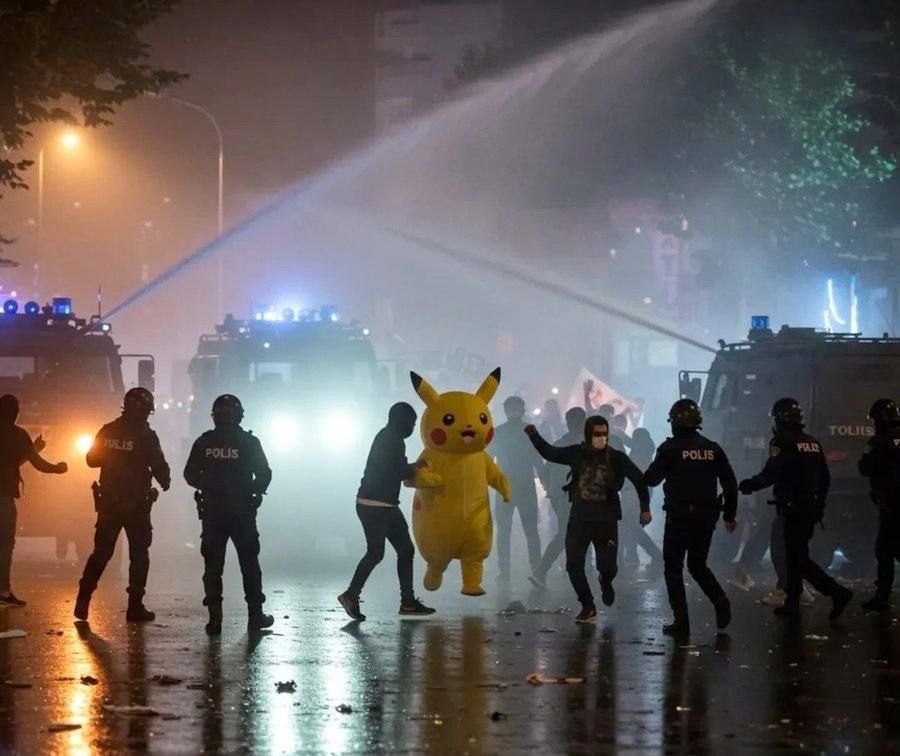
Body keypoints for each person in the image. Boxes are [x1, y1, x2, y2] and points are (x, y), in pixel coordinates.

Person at [525, 416, 650, 623]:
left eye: (604, 433)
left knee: (608, 567)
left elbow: (638, 480)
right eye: (596, 433)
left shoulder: (617, 457)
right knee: (574, 565)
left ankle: (605, 580)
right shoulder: (576, 453)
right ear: (588, 434)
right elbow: (551, 453)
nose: (601, 438)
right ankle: (587, 604)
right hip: (579, 519)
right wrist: (533, 435)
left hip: (606, 520)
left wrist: (644, 508)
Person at [738, 398, 853, 620]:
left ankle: (836, 592)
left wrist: (748, 485)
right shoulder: (812, 443)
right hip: (809, 507)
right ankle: (793, 602)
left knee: (797, 558)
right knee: (795, 556)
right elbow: (825, 477)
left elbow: (771, 473)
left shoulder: (782, 442)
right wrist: (819, 505)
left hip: (792, 509)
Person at [75, 388, 171, 622]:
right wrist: (165, 481)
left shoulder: (108, 430)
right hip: (136, 506)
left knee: (102, 552)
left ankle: (83, 598)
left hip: (109, 504)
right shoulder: (146, 436)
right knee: (139, 555)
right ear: (147, 410)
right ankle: (135, 606)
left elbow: (91, 460)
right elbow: (159, 467)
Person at [643, 399, 737, 636]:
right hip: (707, 518)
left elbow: (652, 479)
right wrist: (730, 513)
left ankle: (682, 622)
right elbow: (729, 482)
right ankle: (720, 599)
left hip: (679, 518)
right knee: (697, 565)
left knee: (673, 568)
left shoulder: (669, 449)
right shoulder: (712, 448)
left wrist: (642, 473)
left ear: (674, 423)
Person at [183, 394, 274, 634]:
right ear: (240, 415)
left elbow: (189, 474)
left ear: (214, 416)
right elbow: (264, 473)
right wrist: (252, 491)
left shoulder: (205, 442)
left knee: (213, 567)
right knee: (250, 565)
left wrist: (210, 486)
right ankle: (255, 616)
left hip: (213, 514)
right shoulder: (249, 442)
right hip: (242, 514)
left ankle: (215, 620)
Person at [338, 402, 436, 621]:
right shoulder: (390, 439)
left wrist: (411, 467)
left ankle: (408, 602)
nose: (411, 427)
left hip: (385, 504)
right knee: (376, 552)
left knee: (406, 550)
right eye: (410, 422)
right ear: (400, 420)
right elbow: (393, 471)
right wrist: (414, 467)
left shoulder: (391, 438)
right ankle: (351, 595)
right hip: (374, 504)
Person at [0, 394, 67, 606]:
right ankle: (2, 591)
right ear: (15, 413)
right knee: (4, 545)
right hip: (3, 498)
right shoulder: (18, 435)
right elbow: (36, 464)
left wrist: (34, 449)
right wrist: (57, 468)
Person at [529, 406, 586, 589]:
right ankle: (543, 571)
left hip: (562, 496)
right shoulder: (583, 444)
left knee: (568, 533)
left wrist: (550, 490)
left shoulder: (562, 442)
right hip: (572, 497)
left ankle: (547, 571)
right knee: (568, 534)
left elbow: (546, 468)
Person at [492, 396, 545, 582]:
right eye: (513, 409)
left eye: (517, 409)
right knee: (528, 531)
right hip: (519, 486)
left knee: (508, 531)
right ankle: (534, 568)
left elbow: (488, 459)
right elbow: (538, 459)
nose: (515, 412)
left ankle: (506, 570)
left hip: (507, 486)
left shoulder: (499, 432)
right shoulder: (528, 431)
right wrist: (545, 481)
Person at [859, 398, 900, 612]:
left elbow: (865, 467)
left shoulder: (878, 441)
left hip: (891, 504)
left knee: (885, 551)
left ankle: (882, 596)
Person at [619, 427, 663, 572]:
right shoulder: (646, 447)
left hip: (634, 492)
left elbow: (629, 442)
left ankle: (655, 554)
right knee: (631, 525)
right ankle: (633, 555)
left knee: (631, 526)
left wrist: (617, 432)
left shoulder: (641, 448)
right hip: (638, 491)